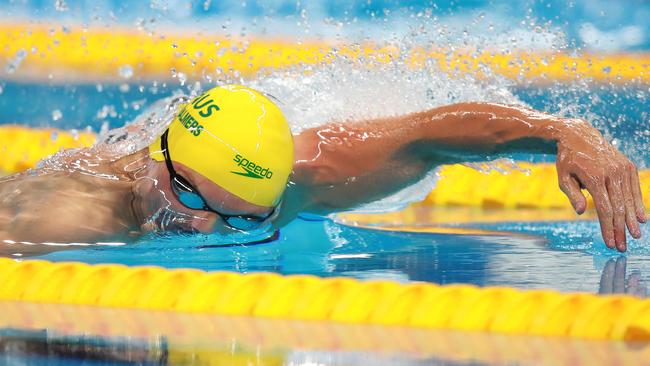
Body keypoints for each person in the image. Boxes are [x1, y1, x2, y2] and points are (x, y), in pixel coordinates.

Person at [0, 85, 645, 256]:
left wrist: (563, 131)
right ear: (159, 155)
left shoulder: (295, 178)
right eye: (187, 193)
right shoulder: (70, 214)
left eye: (236, 217)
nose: (201, 226)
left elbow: (426, 138)